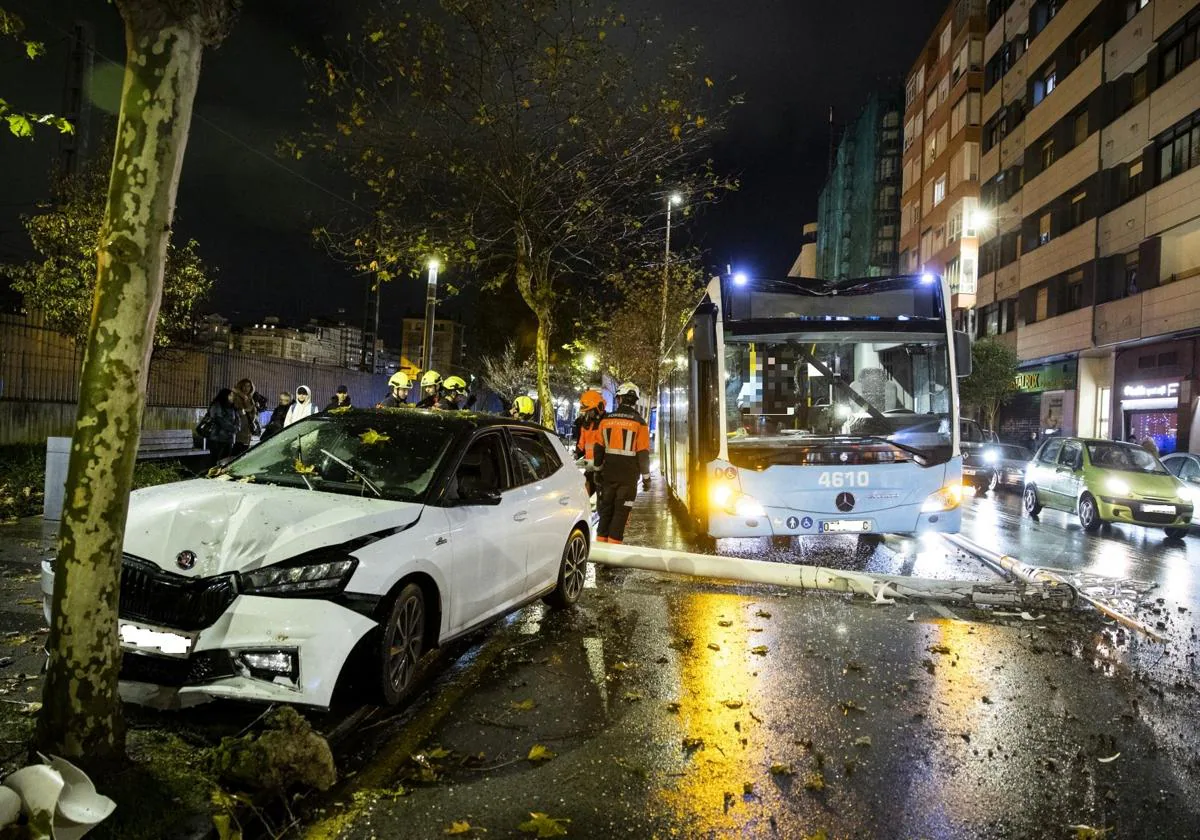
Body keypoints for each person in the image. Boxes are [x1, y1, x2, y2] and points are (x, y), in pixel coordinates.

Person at [593, 382, 650, 544]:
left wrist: (597, 471)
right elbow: (643, 453)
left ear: (619, 399)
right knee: (620, 514)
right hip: (628, 479)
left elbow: (598, 449)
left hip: (608, 476)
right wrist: (646, 478)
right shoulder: (640, 423)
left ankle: (601, 552)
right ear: (635, 401)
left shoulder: (606, 420)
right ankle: (612, 557)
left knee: (606, 513)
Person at [574, 390, 606, 498]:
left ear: (598, 408)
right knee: (582, 497)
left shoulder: (607, 423)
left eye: (590, 411)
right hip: (590, 468)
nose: (588, 414)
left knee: (602, 502)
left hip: (603, 469)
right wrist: (576, 454)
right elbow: (581, 444)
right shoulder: (586, 425)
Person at [199, 388, 240, 462]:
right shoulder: (216, 405)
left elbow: (237, 419)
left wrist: (237, 427)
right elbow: (220, 421)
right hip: (216, 438)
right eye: (230, 395)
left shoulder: (233, 407)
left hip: (228, 438)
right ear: (225, 396)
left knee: (225, 460)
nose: (233, 397)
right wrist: (234, 428)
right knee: (215, 460)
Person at [230, 378, 258, 455]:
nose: (246, 388)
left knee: (244, 451)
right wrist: (245, 410)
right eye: (244, 386)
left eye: (249, 386)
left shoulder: (250, 398)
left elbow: (253, 413)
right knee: (236, 452)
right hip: (239, 429)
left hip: (248, 429)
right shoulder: (236, 398)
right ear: (241, 386)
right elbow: (233, 412)